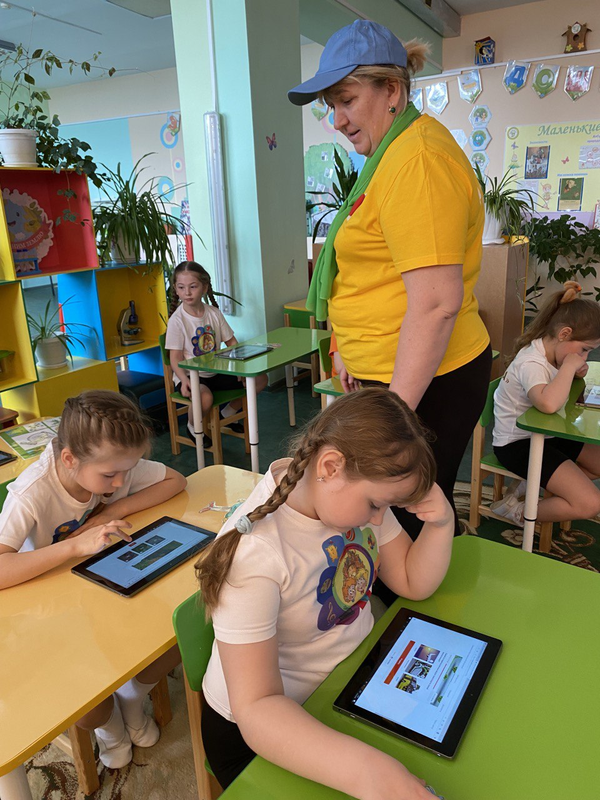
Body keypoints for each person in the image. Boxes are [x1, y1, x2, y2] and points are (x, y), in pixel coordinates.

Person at [288, 20, 491, 541]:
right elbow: (368, 271)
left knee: (404, 521)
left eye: (347, 100)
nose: (336, 119)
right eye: (331, 104)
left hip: (429, 380)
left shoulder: (417, 161)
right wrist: (346, 348)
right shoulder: (389, 154)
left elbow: (436, 304)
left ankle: (421, 594)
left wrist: (390, 415)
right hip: (392, 373)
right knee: (385, 521)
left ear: (393, 91)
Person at [197, 387, 454, 798]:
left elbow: (411, 580)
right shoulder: (257, 553)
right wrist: (369, 774)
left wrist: (441, 524)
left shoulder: (351, 499)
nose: (379, 519)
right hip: (261, 732)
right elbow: (258, 707)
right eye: (376, 505)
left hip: (348, 684)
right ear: (330, 467)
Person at [0, 390, 187, 768]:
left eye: (127, 471)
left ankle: (132, 698)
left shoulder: (113, 463)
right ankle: (110, 727)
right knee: (84, 701)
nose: (120, 482)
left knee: (174, 633)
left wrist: (112, 511)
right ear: (69, 459)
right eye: (109, 476)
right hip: (50, 611)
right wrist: (73, 546)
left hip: (104, 587)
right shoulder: (32, 492)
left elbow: (176, 480)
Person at [491, 282, 600, 527]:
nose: (584, 357)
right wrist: (570, 367)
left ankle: (534, 485)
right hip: (517, 444)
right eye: (584, 350)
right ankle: (519, 512)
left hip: (547, 433)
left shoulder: (555, 352)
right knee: (590, 504)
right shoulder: (532, 362)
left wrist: (574, 371)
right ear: (564, 334)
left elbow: (560, 390)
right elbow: (548, 404)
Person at [166, 260, 267, 440]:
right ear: (176, 289)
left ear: (204, 287)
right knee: (205, 398)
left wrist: (240, 369)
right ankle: (193, 426)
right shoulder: (177, 320)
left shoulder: (213, 313)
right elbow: (175, 357)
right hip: (191, 375)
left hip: (216, 371)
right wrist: (183, 379)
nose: (187, 292)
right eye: (181, 287)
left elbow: (232, 342)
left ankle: (226, 414)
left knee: (259, 379)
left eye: (193, 287)